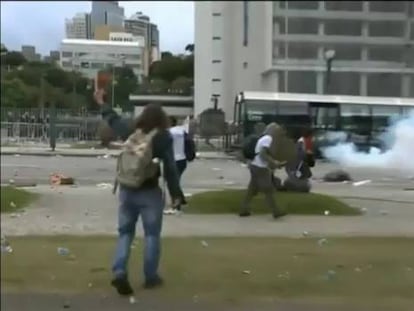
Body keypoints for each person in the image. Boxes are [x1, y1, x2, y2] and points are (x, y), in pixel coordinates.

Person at [94, 89, 183, 296]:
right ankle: (150, 277)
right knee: (152, 234)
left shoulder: (131, 129)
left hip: (127, 188)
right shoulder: (163, 138)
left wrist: (101, 102)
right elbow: (170, 167)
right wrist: (176, 193)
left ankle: (119, 271)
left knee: (125, 233)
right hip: (149, 191)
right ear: (162, 119)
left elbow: (113, 118)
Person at [239, 122, 287, 218]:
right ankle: (276, 211)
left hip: (255, 166)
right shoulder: (268, 138)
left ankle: (243, 209)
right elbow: (263, 154)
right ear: (273, 130)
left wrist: (275, 163)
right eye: (277, 130)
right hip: (260, 168)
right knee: (268, 189)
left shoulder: (263, 138)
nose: (278, 133)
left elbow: (263, 154)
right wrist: (274, 163)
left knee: (252, 190)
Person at [164, 116, 188, 214]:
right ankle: (181, 199)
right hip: (182, 159)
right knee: (175, 181)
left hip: (172, 160)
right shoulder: (182, 131)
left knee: (172, 183)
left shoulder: (168, 133)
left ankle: (176, 204)